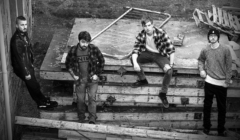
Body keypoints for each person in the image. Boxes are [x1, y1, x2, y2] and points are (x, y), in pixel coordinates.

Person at [10, 16, 58, 110]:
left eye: (25, 24)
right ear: (16, 25)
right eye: (22, 25)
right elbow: (20, 59)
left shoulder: (23, 34)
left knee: (35, 84)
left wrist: (31, 61)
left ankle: (43, 99)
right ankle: (41, 103)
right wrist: (26, 73)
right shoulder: (16, 41)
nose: (24, 27)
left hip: (28, 64)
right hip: (23, 68)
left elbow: (28, 49)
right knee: (33, 86)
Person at [130, 15, 175, 108]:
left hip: (159, 55)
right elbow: (135, 50)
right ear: (143, 26)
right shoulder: (141, 35)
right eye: (145, 26)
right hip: (147, 53)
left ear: (153, 25)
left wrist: (170, 65)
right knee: (132, 59)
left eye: (149, 25)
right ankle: (143, 80)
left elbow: (171, 50)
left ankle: (163, 93)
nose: (147, 28)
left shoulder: (161, 33)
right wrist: (135, 63)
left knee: (169, 71)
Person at [198, 29, 232, 136]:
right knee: (207, 106)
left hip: (222, 84)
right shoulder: (205, 49)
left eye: (214, 36)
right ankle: (206, 128)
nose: (212, 37)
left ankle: (220, 130)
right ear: (208, 37)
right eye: (210, 36)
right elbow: (200, 60)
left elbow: (229, 66)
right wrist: (201, 70)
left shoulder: (225, 49)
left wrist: (227, 81)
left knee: (222, 108)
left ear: (218, 37)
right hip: (209, 82)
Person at [65, 31, 105, 124]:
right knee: (80, 100)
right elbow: (68, 64)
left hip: (92, 80)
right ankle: (81, 118)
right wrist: (73, 75)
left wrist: (97, 74)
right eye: (83, 42)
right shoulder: (73, 50)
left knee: (92, 98)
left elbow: (102, 61)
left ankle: (92, 118)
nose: (85, 44)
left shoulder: (94, 49)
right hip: (80, 80)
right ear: (79, 41)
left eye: (87, 42)